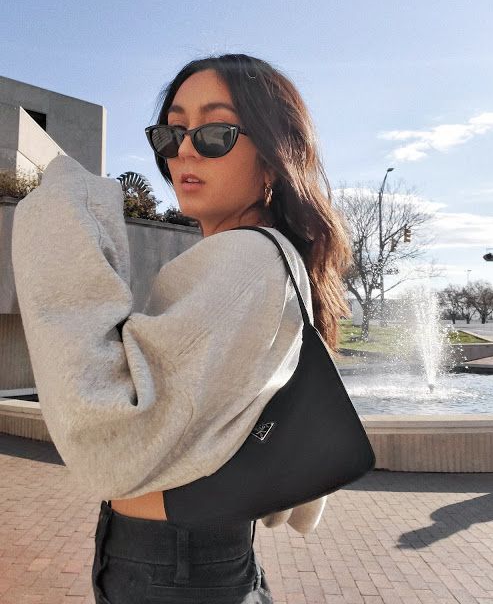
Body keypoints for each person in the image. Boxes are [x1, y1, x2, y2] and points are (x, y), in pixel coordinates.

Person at [11, 53, 352, 603]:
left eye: (216, 131)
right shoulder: (257, 258)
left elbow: (108, 432)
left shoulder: (243, 262)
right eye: (171, 134)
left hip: (174, 566)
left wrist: (58, 214)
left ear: (272, 156)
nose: (186, 149)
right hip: (193, 560)